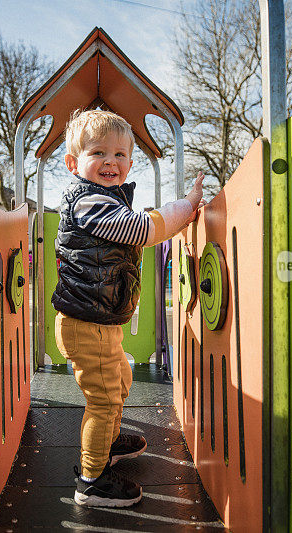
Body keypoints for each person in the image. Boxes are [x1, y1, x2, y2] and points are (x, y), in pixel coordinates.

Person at [52, 109, 205, 507]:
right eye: (98, 152)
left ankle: (110, 442)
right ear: (74, 163)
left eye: (120, 154)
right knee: (103, 400)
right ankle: (91, 479)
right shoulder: (88, 204)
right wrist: (185, 207)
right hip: (87, 322)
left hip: (100, 318)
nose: (110, 161)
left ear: (130, 163)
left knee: (120, 377)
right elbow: (141, 229)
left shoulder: (105, 200)